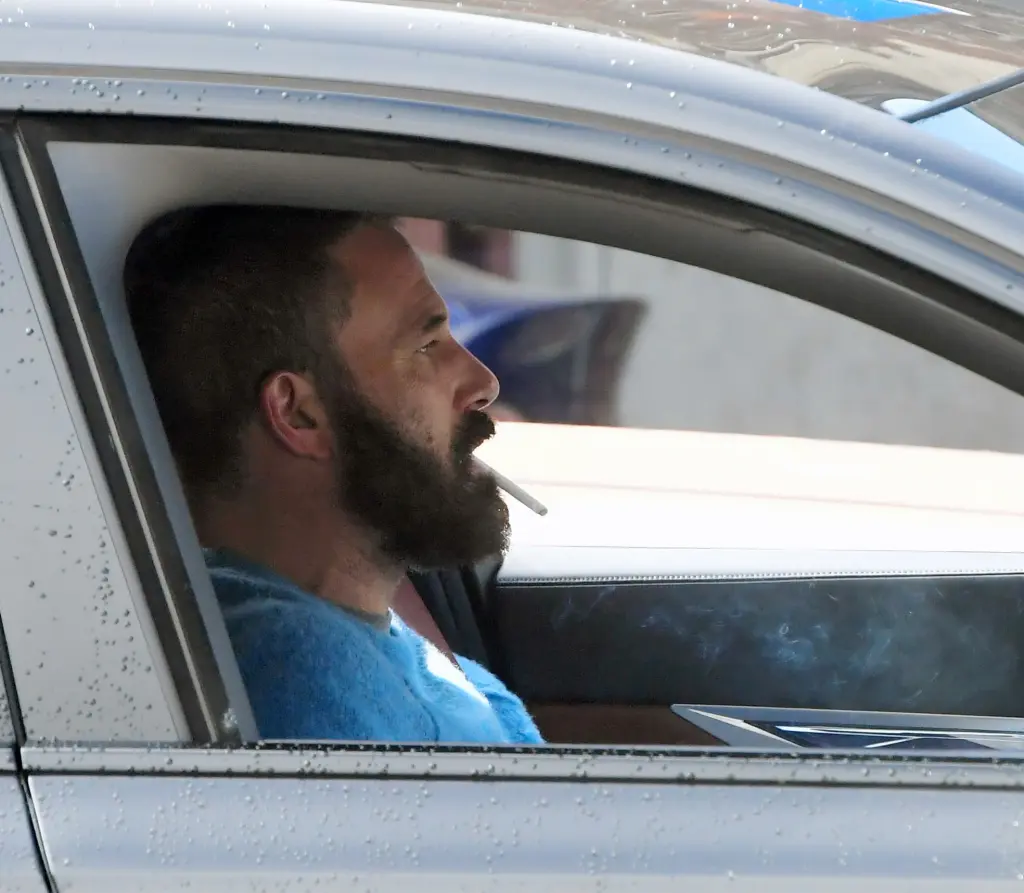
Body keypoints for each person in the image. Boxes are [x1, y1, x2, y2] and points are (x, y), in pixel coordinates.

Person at [124, 205, 543, 745]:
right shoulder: (295, 673)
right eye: (425, 346)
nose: (483, 382)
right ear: (297, 412)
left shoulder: (406, 657)